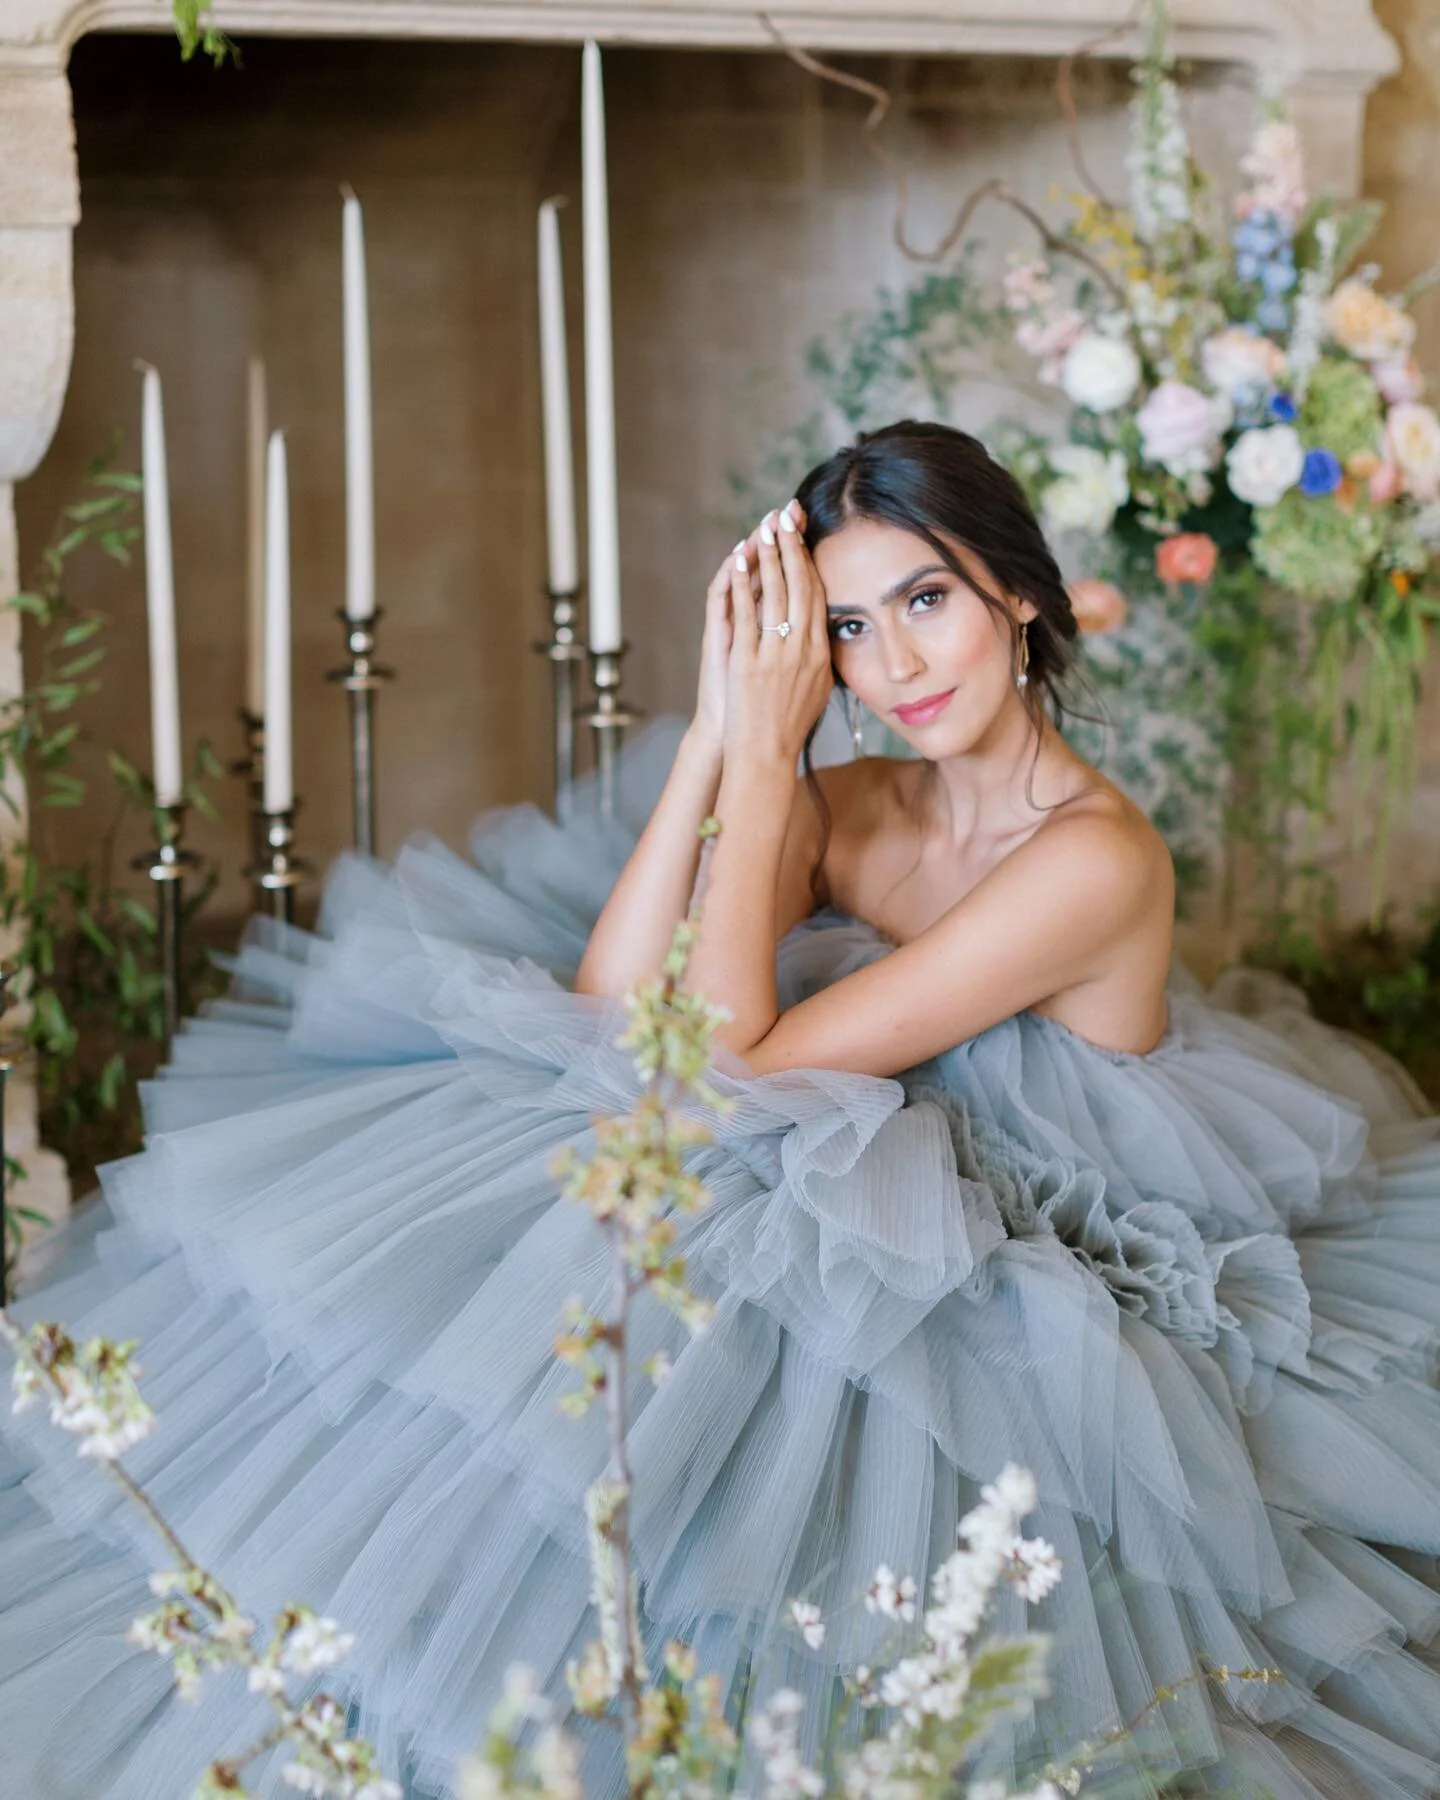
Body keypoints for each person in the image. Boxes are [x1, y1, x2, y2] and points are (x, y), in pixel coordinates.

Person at [1, 421, 1438, 1800]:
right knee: (576, 1185)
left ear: (1014, 589)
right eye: (851, 629)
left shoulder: (1095, 860)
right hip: (847, 1177)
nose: (896, 660)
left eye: (927, 597)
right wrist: (717, 738)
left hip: (1047, 1252)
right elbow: (615, 1010)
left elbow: (738, 1071)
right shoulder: (865, 801)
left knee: (692, 1246)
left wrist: (766, 775)